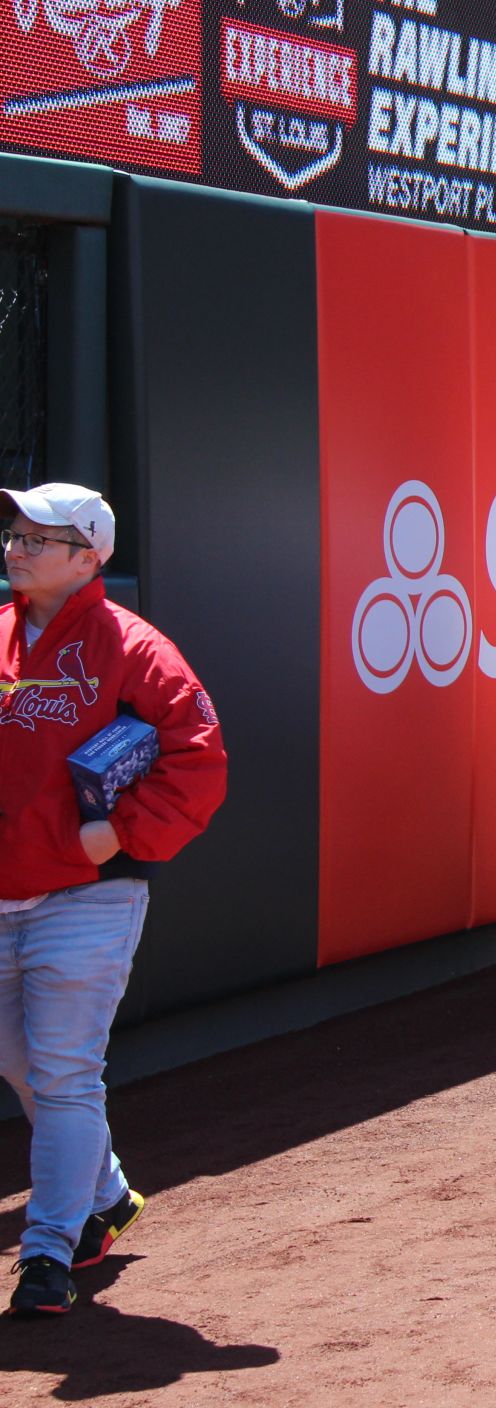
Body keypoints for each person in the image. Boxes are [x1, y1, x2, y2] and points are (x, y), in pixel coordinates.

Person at [0, 485, 227, 1318]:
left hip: (87, 895)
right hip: (4, 888)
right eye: (15, 533)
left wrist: (122, 834)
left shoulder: (132, 646)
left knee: (63, 1073)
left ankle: (48, 1251)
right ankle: (105, 1193)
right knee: (21, 1065)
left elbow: (199, 758)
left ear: (88, 556)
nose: (17, 547)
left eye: (39, 538)